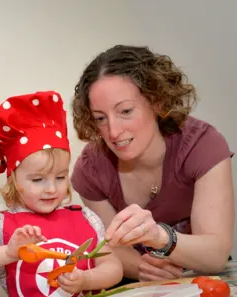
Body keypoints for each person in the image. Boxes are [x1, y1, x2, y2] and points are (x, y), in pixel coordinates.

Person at [0, 91, 123, 297]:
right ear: (13, 179)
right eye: (38, 180)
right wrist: (9, 253)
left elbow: (113, 267)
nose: (52, 189)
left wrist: (87, 280)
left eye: (61, 177)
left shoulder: (85, 216)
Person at [70, 45, 234, 283]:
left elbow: (216, 254)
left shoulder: (202, 145)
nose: (113, 132)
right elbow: (110, 248)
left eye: (125, 110)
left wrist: (160, 237)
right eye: (100, 118)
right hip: (142, 283)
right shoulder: (90, 169)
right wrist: (146, 270)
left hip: (206, 279)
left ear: (157, 102)